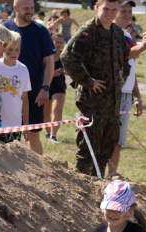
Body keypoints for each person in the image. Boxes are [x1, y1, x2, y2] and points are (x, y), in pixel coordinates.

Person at [61, 0, 130, 178]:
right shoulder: (88, 31)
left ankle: (97, 186)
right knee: (88, 150)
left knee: (106, 150)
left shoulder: (116, 32)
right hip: (92, 103)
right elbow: (68, 57)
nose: (110, 13)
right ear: (97, 6)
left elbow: (125, 57)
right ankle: (81, 190)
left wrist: (123, 76)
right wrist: (88, 81)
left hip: (113, 105)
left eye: (114, 10)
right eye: (106, 9)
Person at [4, 0, 55, 156]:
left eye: (32, 8)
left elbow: (49, 61)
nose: (30, 11)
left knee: (32, 137)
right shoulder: (4, 29)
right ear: (15, 8)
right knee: (5, 136)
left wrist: (45, 88)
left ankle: (39, 173)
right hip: (6, 94)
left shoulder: (41, 31)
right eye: (26, 8)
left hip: (34, 94)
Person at [107, 0, 146, 175]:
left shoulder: (126, 35)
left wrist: (137, 96)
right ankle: (97, 177)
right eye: (123, 11)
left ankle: (111, 176)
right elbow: (123, 56)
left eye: (129, 11)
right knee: (107, 139)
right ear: (115, 12)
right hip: (112, 93)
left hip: (126, 95)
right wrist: (141, 47)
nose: (127, 15)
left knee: (118, 141)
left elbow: (130, 69)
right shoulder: (110, 33)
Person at [0, 30, 30, 143]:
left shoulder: (23, 69)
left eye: (17, 50)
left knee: (12, 157)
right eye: (9, 50)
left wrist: (26, 126)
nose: (14, 53)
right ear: (3, 48)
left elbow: (25, 99)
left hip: (15, 123)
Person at [43, 31, 65, 143]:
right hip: (47, 86)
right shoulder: (46, 56)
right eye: (57, 42)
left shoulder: (65, 56)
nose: (59, 44)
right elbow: (41, 71)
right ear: (51, 42)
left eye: (61, 42)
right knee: (46, 113)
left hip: (60, 86)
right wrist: (52, 73)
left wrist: (65, 72)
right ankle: (47, 132)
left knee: (57, 110)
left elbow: (72, 70)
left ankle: (53, 135)